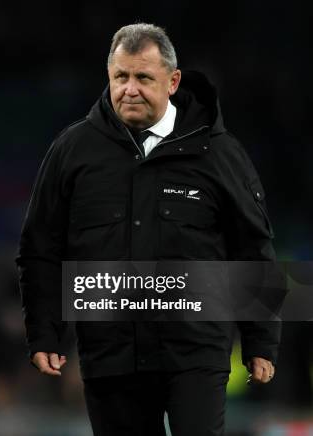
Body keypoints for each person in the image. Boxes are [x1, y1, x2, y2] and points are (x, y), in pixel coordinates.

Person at [17, 23, 279, 436]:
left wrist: (261, 340)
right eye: (121, 77)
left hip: (196, 351)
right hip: (110, 355)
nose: (130, 89)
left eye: (143, 78)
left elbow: (253, 249)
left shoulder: (220, 152)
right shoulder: (72, 151)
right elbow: (41, 249)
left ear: (172, 82)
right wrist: (44, 333)